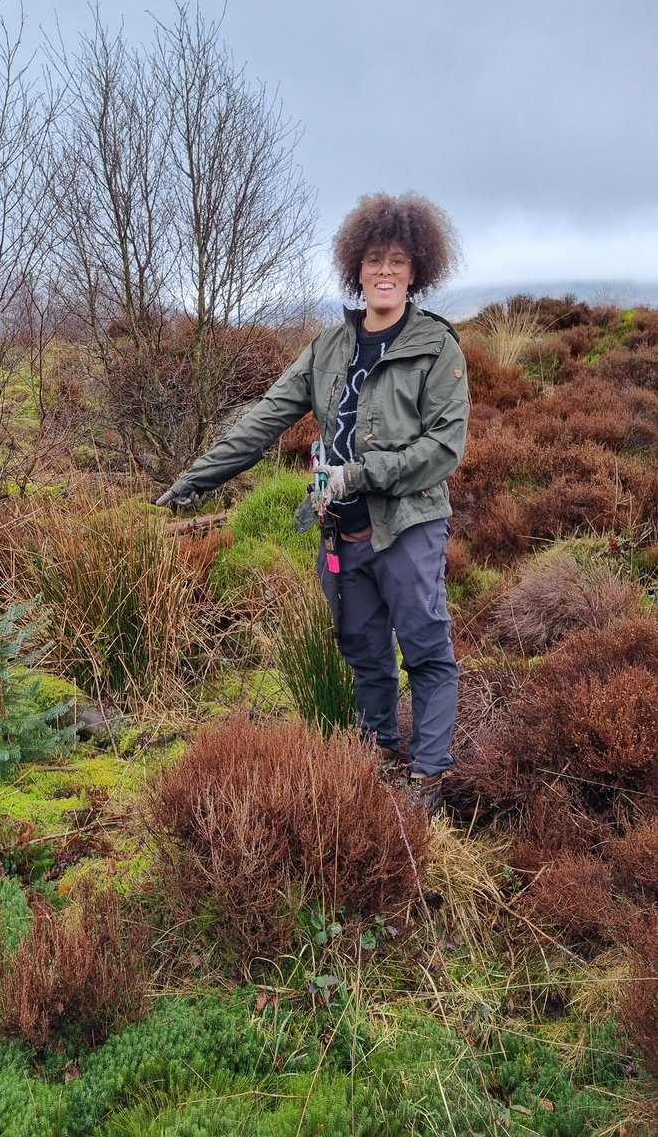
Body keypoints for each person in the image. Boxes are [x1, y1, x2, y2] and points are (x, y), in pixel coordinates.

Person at [156, 191, 469, 813]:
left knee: (427, 651)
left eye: (399, 261)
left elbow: (444, 448)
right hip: (340, 533)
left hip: (407, 527)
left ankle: (429, 780)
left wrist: (364, 474)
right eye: (375, 259)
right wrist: (192, 483)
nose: (385, 271)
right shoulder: (329, 347)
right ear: (355, 266)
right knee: (363, 652)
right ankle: (378, 758)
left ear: (417, 271)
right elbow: (264, 419)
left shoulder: (437, 347)